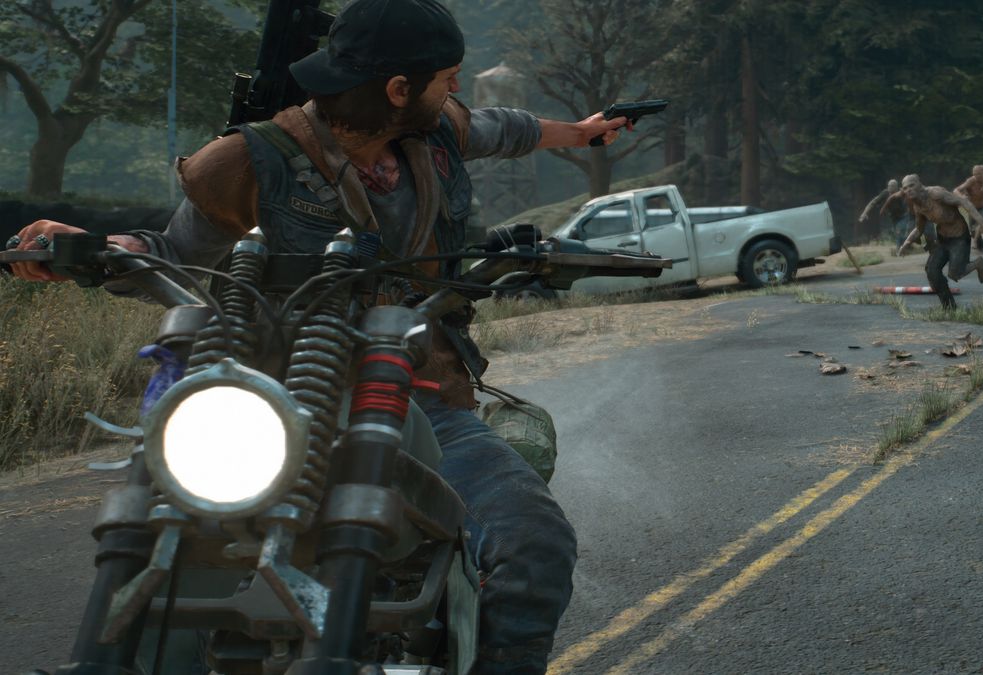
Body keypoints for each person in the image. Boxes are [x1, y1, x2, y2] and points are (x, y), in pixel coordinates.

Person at [7, 0, 634, 671]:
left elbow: (502, 128)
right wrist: (97, 248)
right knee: (152, 534)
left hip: (416, 400)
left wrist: (580, 134)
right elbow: (173, 249)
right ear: (399, 89)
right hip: (269, 409)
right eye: (446, 76)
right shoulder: (248, 161)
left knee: (532, 546)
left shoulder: (437, 132)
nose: (457, 86)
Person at [895, 174, 983, 310]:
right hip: (942, 239)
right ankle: (949, 308)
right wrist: (906, 243)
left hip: (959, 237)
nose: (909, 190)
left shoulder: (936, 193)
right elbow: (919, 228)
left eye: (912, 185)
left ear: (919, 184)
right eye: (905, 188)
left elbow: (964, 202)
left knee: (955, 273)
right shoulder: (917, 206)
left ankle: (978, 264)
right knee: (932, 272)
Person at [858, 179, 913, 249]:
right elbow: (873, 202)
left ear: (896, 187)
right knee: (899, 234)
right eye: (889, 186)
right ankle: (907, 247)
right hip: (893, 218)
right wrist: (865, 213)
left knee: (900, 230)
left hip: (904, 216)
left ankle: (899, 250)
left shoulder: (902, 192)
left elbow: (912, 199)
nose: (890, 188)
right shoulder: (885, 193)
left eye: (892, 186)